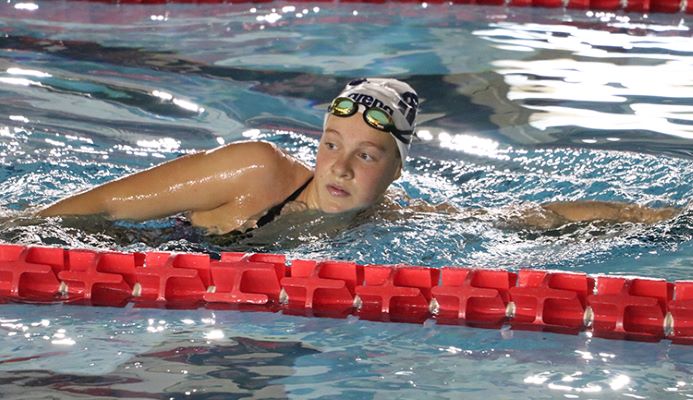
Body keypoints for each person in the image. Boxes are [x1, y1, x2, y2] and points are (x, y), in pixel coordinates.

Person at [37, 78, 679, 235]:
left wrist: (657, 218)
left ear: (397, 169)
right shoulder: (257, 169)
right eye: (331, 145)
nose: (339, 167)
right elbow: (99, 207)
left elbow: (530, 218)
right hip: (107, 250)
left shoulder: (387, 219)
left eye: (368, 155)